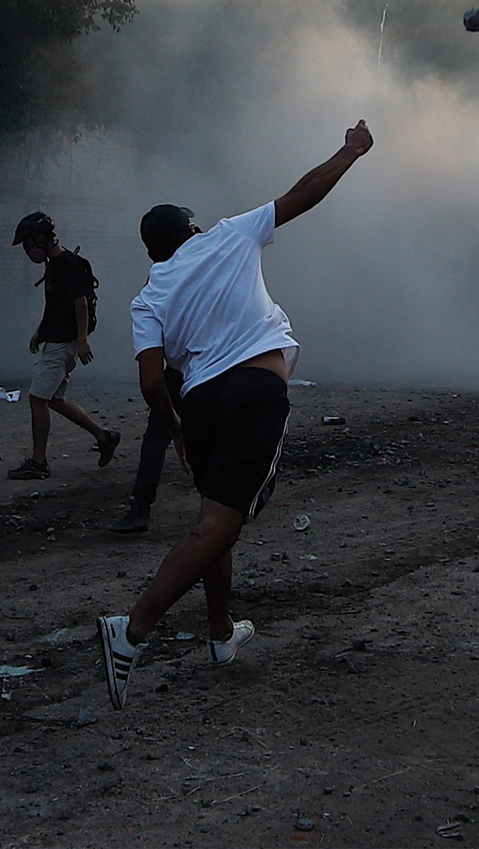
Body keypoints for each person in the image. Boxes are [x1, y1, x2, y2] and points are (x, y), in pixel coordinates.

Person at [97, 120, 373, 709]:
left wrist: (175, 431)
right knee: (221, 524)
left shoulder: (148, 295)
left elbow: (151, 381)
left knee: (215, 517)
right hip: (252, 394)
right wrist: (350, 151)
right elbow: (303, 193)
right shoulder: (225, 235)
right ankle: (133, 629)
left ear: (154, 251)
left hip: (199, 404)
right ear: (192, 228)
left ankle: (221, 634)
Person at [9, 212, 120, 480]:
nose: (28, 249)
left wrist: (82, 340)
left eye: (28, 243)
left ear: (41, 238)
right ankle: (104, 436)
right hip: (55, 338)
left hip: (62, 344)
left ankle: (38, 462)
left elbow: (80, 302)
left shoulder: (65, 264)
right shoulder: (55, 264)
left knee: (38, 399)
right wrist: (40, 331)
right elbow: (56, 303)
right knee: (55, 400)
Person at [106, 365, 181, 533]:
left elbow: (151, 380)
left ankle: (140, 507)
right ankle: (230, 506)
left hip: (181, 373)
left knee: (155, 440)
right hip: (217, 371)